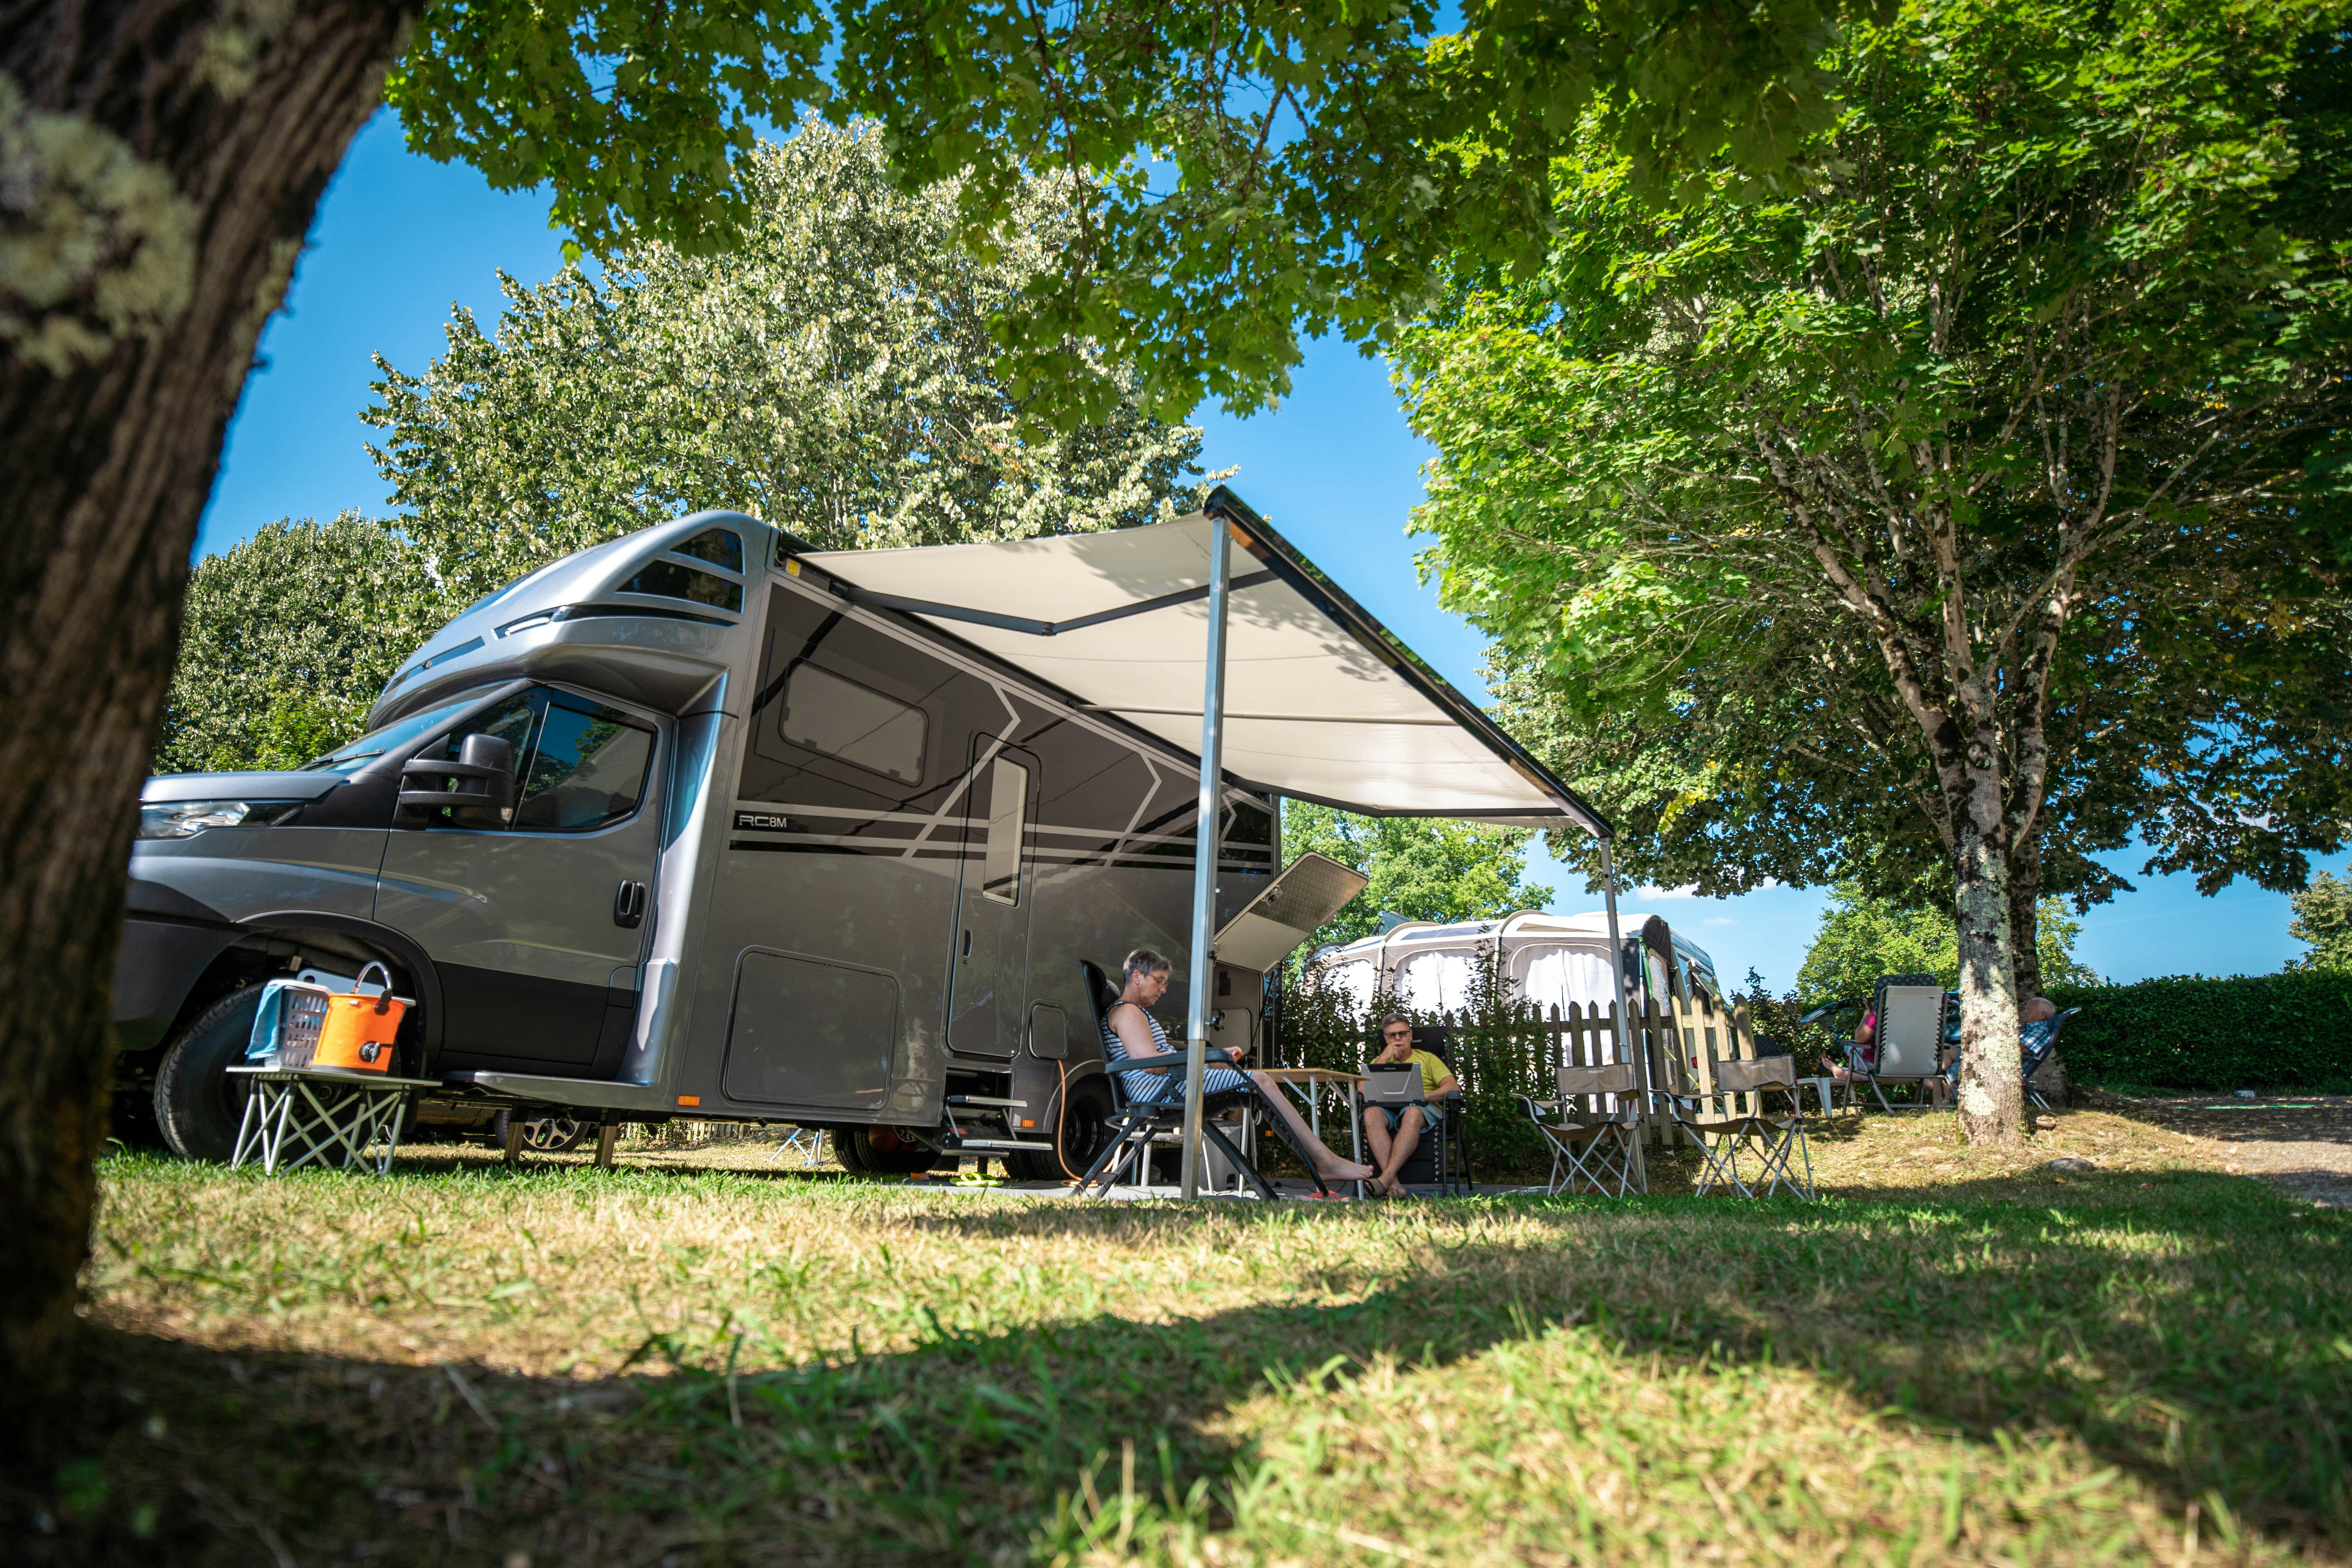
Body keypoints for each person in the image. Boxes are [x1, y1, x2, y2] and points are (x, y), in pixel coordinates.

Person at [1100, 949, 1376, 1190]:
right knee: (1261, 1082)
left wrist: (1213, 1060)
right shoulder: (1128, 1012)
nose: (1163, 989)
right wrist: (1206, 1057)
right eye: (1159, 981)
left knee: (1252, 1084)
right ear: (1137, 977)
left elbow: (1158, 1058)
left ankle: (1322, 1161)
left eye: (1165, 983)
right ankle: (1325, 1162)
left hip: (1167, 1089)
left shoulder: (1134, 1013)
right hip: (1159, 1093)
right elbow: (1152, 1065)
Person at [1358, 1014, 1460, 1197]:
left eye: (1402, 1034)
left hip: (1423, 1108)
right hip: (1387, 1108)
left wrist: (1423, 1096)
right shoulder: (1381, 1061)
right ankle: (1395, 1185)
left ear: (1411, 1036)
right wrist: (1383, 1058)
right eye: (1392, 1035)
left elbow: (1452, 1087)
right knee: (1371, 1114)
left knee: (1412, 1112)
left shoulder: (1428, 1059)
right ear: (1386, 1038)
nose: (1398, 1039)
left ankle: (1385, 1179)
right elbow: (1362, 1089)